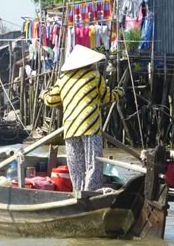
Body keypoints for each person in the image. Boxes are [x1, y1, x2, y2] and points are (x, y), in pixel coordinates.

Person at [42, 45, 123, 196]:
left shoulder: (64, 78)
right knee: (93, 163)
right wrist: (120, 92)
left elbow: (51, 100)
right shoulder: (94, 76)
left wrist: (43, 94)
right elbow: (107, 97)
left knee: (76, 166)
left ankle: (78, 194)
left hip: (71, 128)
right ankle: (90, 194)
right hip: (90, 127)